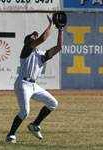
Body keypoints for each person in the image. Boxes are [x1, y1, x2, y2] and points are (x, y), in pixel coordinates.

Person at [6, 14, 63, 143]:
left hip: (34, 85)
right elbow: (43, 38)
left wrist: (60, 30)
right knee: (25, 112)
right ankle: (11, 135)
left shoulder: (42, 54)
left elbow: (59, 47)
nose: (34, 37)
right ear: (27, 41)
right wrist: (51, 25)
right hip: (22, 83)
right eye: (32, 36)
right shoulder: (26, 49)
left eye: (35, 36)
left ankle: (35, 125)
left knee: (53, 103)